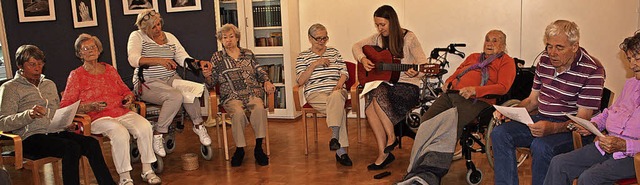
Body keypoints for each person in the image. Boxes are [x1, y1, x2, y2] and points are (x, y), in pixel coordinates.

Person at [491, 20, 606, 185]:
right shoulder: (544, 60)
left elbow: (583, 121)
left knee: (541, 146)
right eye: (549, 46)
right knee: (500, 133)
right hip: (542, 120)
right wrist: (510, 111)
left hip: (572, 130)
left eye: (559, 47)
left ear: (575, 47)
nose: (552, 53)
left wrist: (552, 128)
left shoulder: (592, 70)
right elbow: (532, 100)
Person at [398, 30, 517, 184]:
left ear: (503, 45)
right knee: (426, 122)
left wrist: (476, 90)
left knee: (447, 126)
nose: (489, 43)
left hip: (478, 101)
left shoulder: (506, 61)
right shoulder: (474, 57)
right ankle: (415, 167)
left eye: (495, 40)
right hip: (452, 95)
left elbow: (503, 87)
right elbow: (458, 72)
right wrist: (448, 82)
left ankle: (429, 175)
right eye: (487, 39)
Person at [0, 45, 115, 185]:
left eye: (40, 64)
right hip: (30, 137)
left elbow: (56, 111)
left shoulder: (49, 84)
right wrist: (28, 114)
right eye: (32, 64)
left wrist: (66, 124)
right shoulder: (10, 88)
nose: (37, 68)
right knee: (71, 148)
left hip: (55, 132)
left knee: (91, 143)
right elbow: (3, 122)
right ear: (20, 66)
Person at [61, 34, 161, 185]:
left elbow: (125, 90)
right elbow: (66, 105)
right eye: (85, 49)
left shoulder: (109, 69)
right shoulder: (76, 75)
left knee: (145, 126)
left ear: (99, 49)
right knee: (119, 132)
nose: (90, 51)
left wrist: (129, 98)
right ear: (79, 54)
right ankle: (125, 177)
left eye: (93, 47)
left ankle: (147, 170)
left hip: (120, 111)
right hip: (96, 117)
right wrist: (88, 107)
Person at [544, 31, 640, 185]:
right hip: (607, 146)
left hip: (633, 157)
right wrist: (594, 125)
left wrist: (624, 145)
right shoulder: (631, 84)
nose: (632, 64)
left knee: (589, 178)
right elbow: (610, 112)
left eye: (637, 58)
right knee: (559, 163)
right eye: (629, 59)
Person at [352, 5, 428, 170]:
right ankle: (383, 153)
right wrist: (363, 59)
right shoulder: (378, 38)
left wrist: (416, 73)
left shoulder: (409, 38)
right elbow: (356, 47)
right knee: (369, 109)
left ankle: (391, 136)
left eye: (382, 25)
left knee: (378, 93)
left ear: (392, 22)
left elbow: (423, 64)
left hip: (408, 87)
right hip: (387, 85)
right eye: (377, 25)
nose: (379, 28)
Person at [127, 9, 211, 158]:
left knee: (190, 91)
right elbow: (133, 59)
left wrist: (199, 63)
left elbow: (182, 57)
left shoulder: (170, 37)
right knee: (175, 96)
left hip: (170, 78)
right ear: (144, 28)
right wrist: (159, 60)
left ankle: (198, 125)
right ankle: (158, 133)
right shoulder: (137, 36)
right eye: (153, 27)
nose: (158, 29)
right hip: (148, 82)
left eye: (159, 24)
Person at [203, 23, 275, 167]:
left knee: (259, 109)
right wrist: (207, 76)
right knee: (238, 113)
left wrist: (267, 81)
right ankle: (240, 149)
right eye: (225, 37)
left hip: (252, 91)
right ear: (221, 40)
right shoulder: (217, 57)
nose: (228, 40)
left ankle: (258, 147)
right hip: (231, 95)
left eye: (231, 36)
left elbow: (259, 70)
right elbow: (212, 83)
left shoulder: (247, 53)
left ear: (237, 38)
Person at [296, 23, 352, 166]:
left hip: (336, 90)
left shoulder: (334, 52)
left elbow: (344, 72)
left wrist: (339, 85)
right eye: (318, 39)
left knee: (336, 98)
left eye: (324, 38)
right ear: (310, 38)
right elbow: (301, 80)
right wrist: (315, 64)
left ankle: (335, 139)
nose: (322, 42)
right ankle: (341, 151)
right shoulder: (303, 56)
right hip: (315, 93)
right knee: (338, 110)